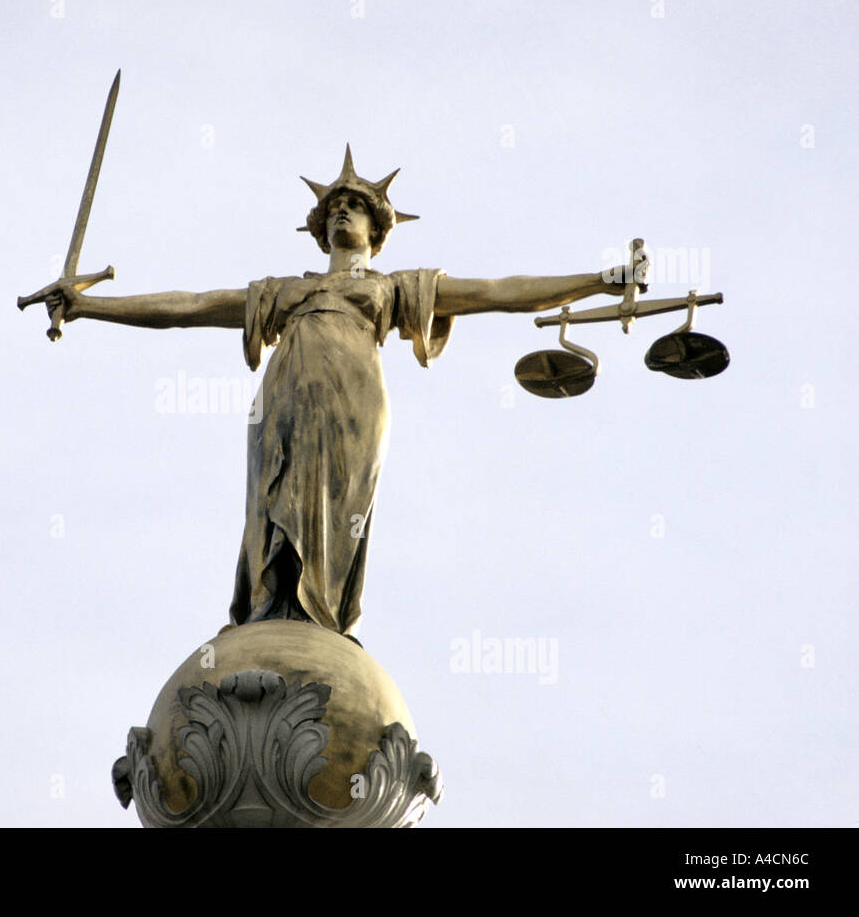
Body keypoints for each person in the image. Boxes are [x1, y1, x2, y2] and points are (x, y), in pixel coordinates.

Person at [42, 146, 637, 638]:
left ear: (377, 230)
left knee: (336, 510)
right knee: (273, 504)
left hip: (353, 406)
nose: (342, 213)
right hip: (282, 404)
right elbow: (192, 306)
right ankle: (270, 610)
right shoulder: (284, 292)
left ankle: (321, 617)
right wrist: (92, 307)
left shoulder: (393, 288)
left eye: (355, 207)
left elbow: (500, 291)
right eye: (335, 207)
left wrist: (598, 280)